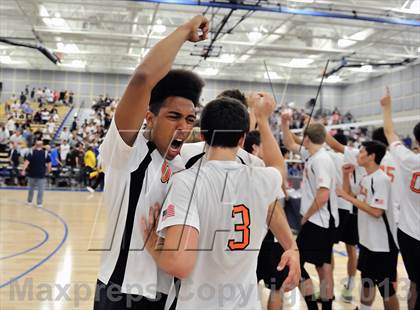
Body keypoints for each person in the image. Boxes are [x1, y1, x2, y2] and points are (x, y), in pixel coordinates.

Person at [143, 95, 300, 309]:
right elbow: (278, 168)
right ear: (242, 139)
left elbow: (178, 264)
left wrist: (151, 244)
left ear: (204, 136)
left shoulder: (186, 181)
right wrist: (263, 120)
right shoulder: (261, 178)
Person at [94, 15, 208, 310]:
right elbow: (144, 77)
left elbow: (232, 142)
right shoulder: (127, 153)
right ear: (149, 118)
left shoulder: (184, 160)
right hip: (122, 293)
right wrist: (184, 31)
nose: (183, 126)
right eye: (173, 116)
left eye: (190, 119)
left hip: (169, 295)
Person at [281, 112, 338, 310]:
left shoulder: (321, 160)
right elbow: (289, 144)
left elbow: (323, 195)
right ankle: (325, 307)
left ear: (307, 138)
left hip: (317, 221)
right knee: (323, 267)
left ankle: (314, 306)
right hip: (318, 221)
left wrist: (305, 216)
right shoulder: (312, 154)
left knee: (295, 263)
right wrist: (284, 123)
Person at [336, 140, 399, 310]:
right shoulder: (366, 177)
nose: (358, 154)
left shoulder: (381, 180)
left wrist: (347, 197)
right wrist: (345, 175)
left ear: (371, 156)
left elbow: (377, 211)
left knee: (386, 289)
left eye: (362, 151)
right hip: (368, 242)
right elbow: (348, 192)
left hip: (382, 245)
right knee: (367, 280)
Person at [380, 89, 420, 310]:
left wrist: (387, 108)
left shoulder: (408, 160)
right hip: (410, 233)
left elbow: (390, 133)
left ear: (415, 140)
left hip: (409, 234)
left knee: (414, 282)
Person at [21, 141, 51, 208]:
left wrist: (23, 170)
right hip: (41, 174)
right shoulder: (46, 153)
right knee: (41, 190)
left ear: (35, 145)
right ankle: (39, 203)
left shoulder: (31, 152)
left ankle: (29, 201)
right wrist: (49, 171)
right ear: (42, 145)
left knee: (31, 188)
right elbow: (49, 164)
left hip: (32, 174)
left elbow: (26, 162)